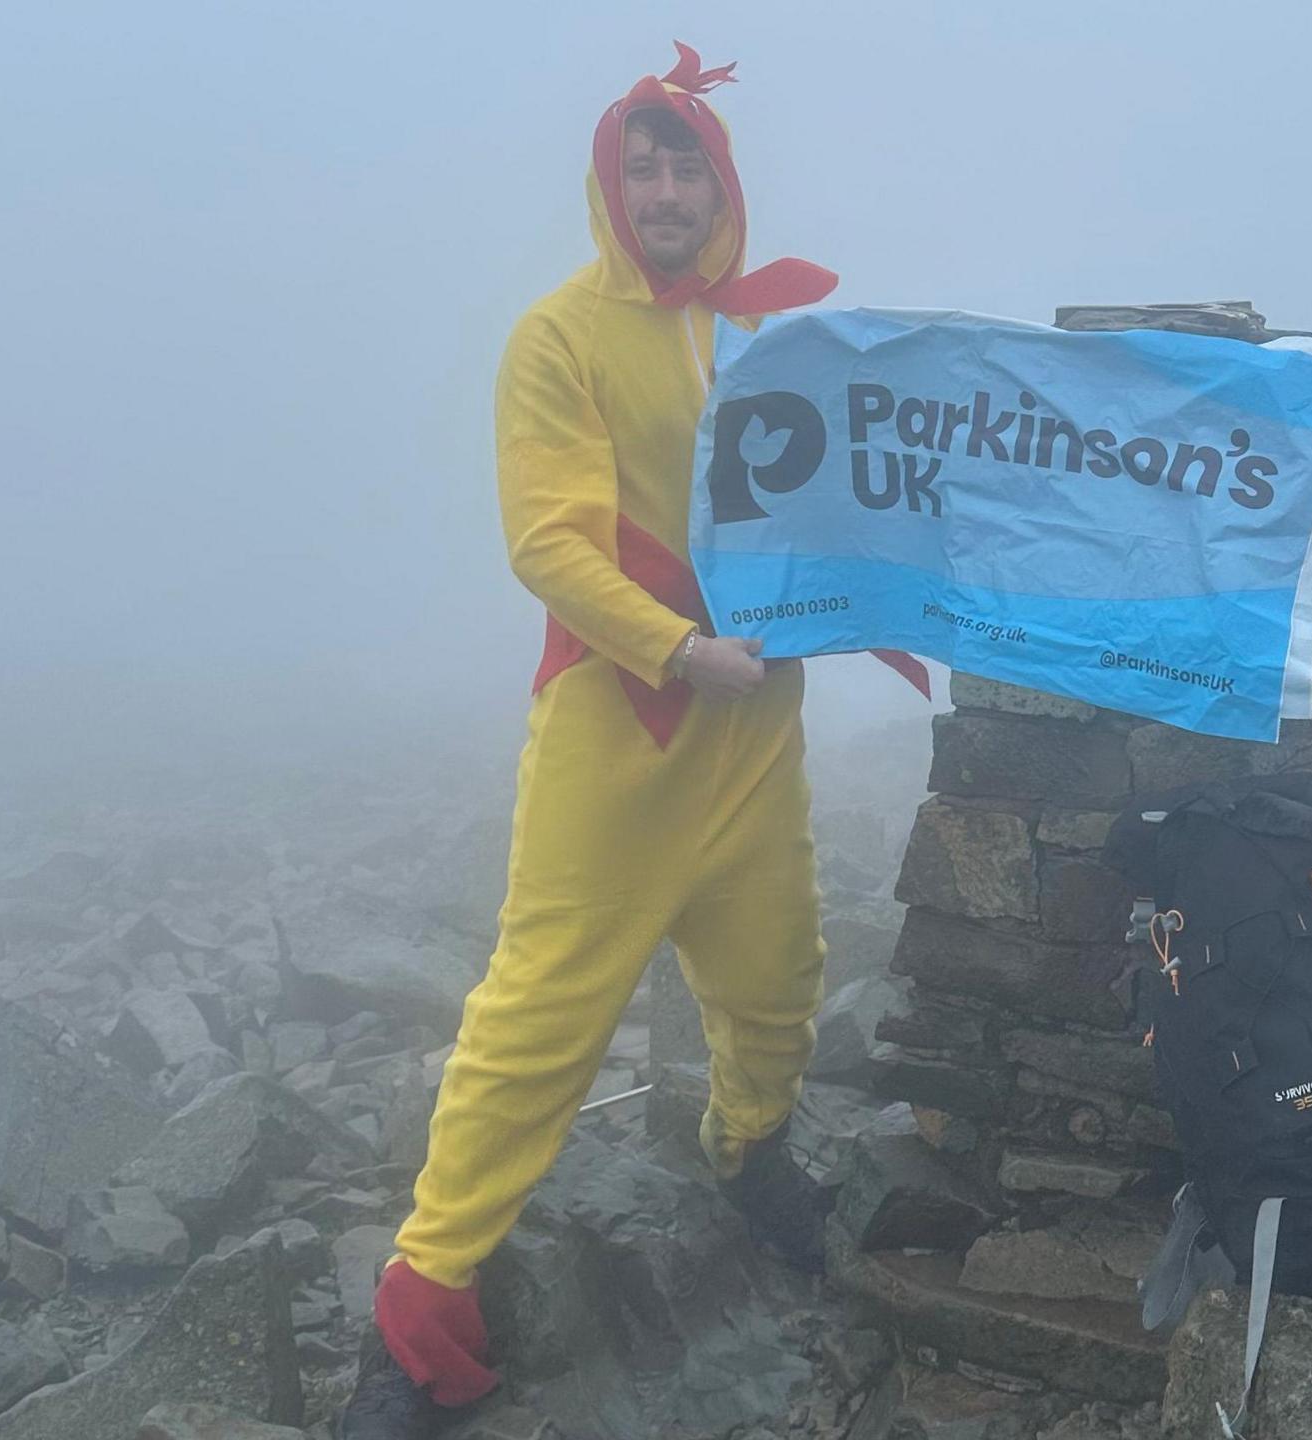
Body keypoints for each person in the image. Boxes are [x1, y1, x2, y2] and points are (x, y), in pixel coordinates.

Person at [339, 44, 918, 1438]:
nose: (665, 188)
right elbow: (549, 540)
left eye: (688, 166)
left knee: (781, 973)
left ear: (723, 183)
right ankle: (417, 1322)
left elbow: (852, 498)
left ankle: (749, 1152)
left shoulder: (770, 340)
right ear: (611, 183)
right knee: (540, 1018)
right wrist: (674, 649)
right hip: (620, 734)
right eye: (641, 165)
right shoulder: (557, 337)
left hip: (754, 739)